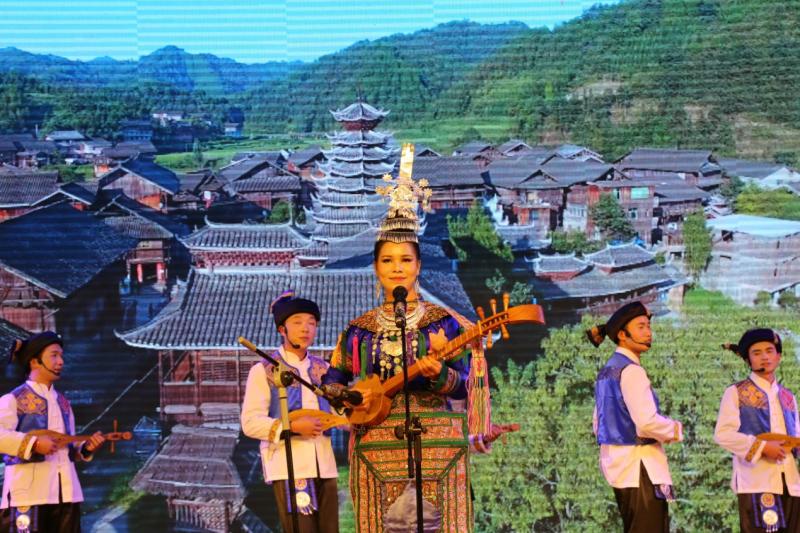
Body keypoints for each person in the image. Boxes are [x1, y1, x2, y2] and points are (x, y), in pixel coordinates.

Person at [322, 145, 491, 533]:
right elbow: (333, 379)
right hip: (375, 439)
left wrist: (440, 376)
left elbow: (468, 385)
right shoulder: (359, 329)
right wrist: (348, 398)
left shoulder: (444, 323)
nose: (396, 268)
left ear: (418, 265)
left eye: (405, 260)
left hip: (436, 442)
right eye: (387, 260)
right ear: (376, 267)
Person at [241, 292, 339, 533]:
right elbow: (250, 422)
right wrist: (292, 427)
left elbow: (339, 411)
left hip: (325, 464)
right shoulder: (263, 370)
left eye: (311, 323)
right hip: (290, 465)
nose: (305, 329)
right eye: (297, 322)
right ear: (281, 329)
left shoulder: (324, 369)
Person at [588, 301, 682, 533]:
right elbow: (646, 422)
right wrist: (674, 429)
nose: (648, 333)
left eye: (648, 326)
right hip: (640, 466)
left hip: (619, 467)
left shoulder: (608, 370)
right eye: (641, 327)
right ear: (622, 334)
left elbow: (598, 423)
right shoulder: (631, 371)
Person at [0, 331, 105, 533]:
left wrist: (85, 449)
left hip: (67, 495)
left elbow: (68, 447)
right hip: (28, 495)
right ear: (34, 362)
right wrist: (34, 444)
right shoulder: (12, 399)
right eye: (54, 355)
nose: (61, 362)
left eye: (61, 356)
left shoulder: (63, 402)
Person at [715, 328, 800, 533]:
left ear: (778, 356)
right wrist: (762, 447)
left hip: (791, 483)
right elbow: (723, 434)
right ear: (748, 359)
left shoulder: (789, 397)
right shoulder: (735, 392)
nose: (765, 357)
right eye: (757, 353)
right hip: (756, 481)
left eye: (770, 351)